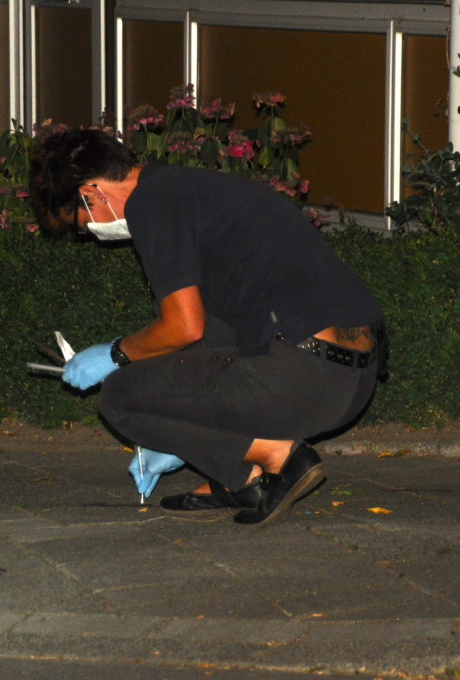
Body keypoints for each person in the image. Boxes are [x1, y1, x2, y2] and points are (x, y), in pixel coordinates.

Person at [29, 128, 387, 527]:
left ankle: (279, 457)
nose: (92, 233)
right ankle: (241, 480)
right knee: (174, 349)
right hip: (350, 381)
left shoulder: (151, 203)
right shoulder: (190, 188)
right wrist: (178, 430)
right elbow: (203, 335)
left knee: (120, 396)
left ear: (90, 193)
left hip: (300, 376)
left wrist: (114, 355)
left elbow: (183, 327)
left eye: (81, 224)